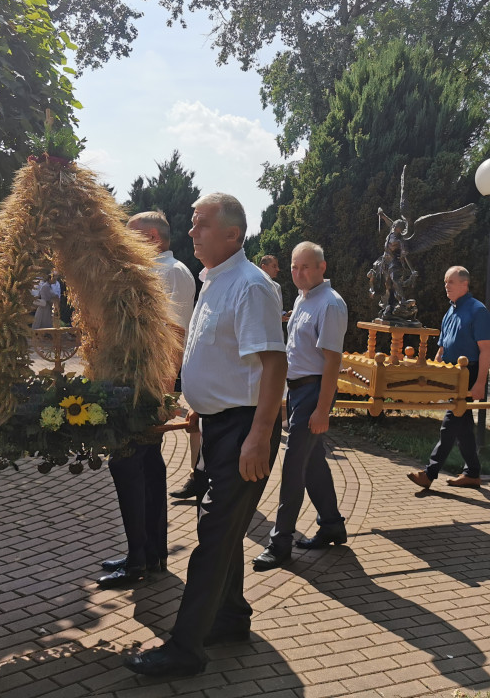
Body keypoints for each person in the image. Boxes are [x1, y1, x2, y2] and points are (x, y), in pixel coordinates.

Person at [124, 193, 287, 678]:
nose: (191, 231)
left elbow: (274, 364)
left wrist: (259, 434)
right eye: (192, 224)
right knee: (222, 530)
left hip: (244, 429)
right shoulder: (213, 281)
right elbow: (222, 357)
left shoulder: (251, 285)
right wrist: (201, 407)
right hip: (221, 424)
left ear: (232, 234)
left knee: (214, 535)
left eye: (200, 224)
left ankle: (186, 647)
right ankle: (231, 618)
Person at [95, 212, 196, 589]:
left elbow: (174, 333)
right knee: (147, 469)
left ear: (152, 237)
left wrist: (164, 393)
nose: (124, 243)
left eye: (131, 236)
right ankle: (150, 552)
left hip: (145, 388)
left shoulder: (167, 273)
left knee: (128, 467)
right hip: (146, 385)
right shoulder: (167, 270)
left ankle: (140, 557)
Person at [253, 242, 348, 571]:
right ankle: (332, 524)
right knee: (312, 463)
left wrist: (323, 410)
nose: (298, 273)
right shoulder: (302, 299)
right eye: (294, 267)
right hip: (297, 392)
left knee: (294, 466)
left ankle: (280, 543)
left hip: (314, 393)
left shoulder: (331, 305)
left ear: (322, 267)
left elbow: (333, 362)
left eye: (305, 267)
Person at [406, 267, 490, 490]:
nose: (446, 286)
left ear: (465, 284)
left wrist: (480, 383)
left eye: (451, 282)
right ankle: (472, 473)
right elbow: (442, 350)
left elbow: (485, 351)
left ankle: (429, 473)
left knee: (450, 423)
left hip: (468, 373)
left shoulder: (478, 311)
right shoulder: (450, 311)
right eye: (445, 282)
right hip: (450, 372)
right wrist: (434, 375)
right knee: (462, 426)